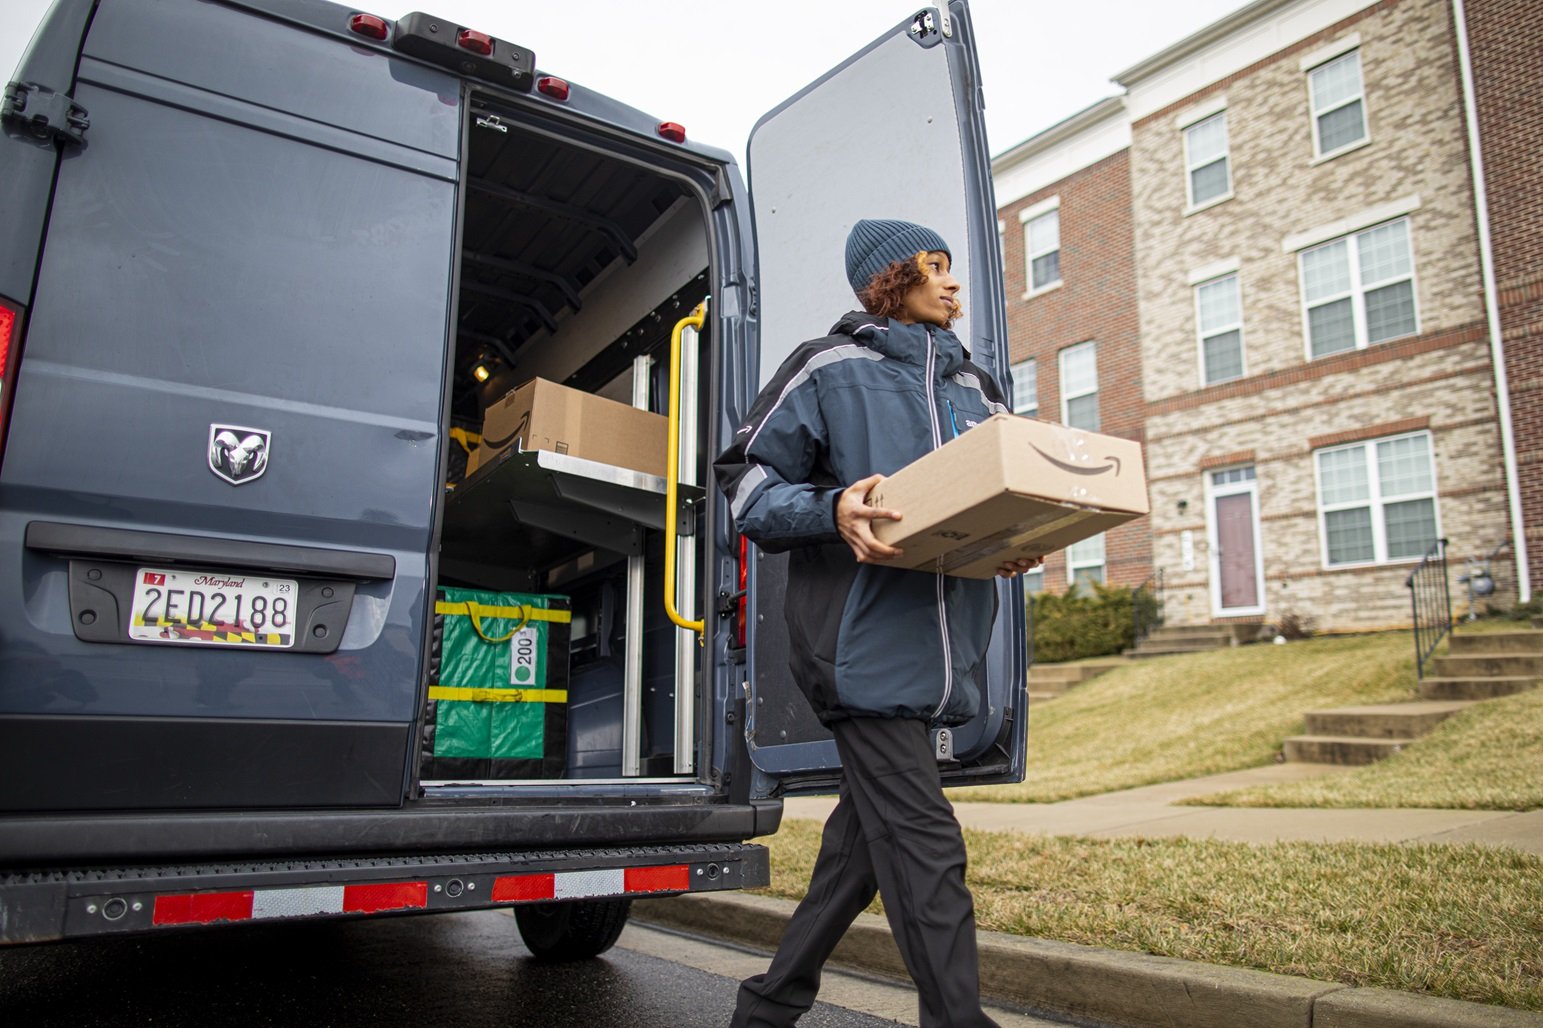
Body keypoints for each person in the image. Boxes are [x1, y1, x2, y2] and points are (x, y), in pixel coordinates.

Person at [714, 218, 1040, 1028]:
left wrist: (1009, 543)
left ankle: (766, 1006)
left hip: (942, 660)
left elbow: (985, 500)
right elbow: (744, 486)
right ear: (888, 280)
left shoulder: (977, 391)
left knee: (856, 853)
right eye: (933, 267)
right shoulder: (829, 369)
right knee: (928, 845)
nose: (950, 283)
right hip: (857, 652)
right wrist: (832, 507)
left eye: (950, 268)